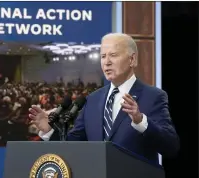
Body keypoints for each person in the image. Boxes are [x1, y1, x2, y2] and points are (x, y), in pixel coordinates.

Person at [28, 33, 180, 164]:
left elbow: (171, 146)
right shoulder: (92, 100)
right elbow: (72, 146)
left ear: (132, 59)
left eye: (113, 55)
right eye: (103, 56)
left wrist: (141, 121)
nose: (106, 62)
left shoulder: (153, 97)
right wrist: (49, 130)